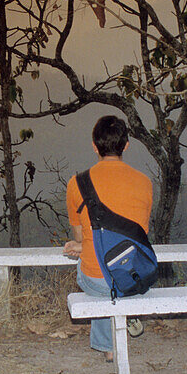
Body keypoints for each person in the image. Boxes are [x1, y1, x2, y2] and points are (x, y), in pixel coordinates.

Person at [63, 114, 153, 361]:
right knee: (114, 275)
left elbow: (80, 236)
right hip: (134, 272)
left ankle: (107, 346)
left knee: (95, 275)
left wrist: (83, 247)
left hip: (98, 277)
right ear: (126, 145)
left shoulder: (77, 183)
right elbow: (139, 234)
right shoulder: (145, 183)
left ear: (94, 146)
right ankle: (125, 310)